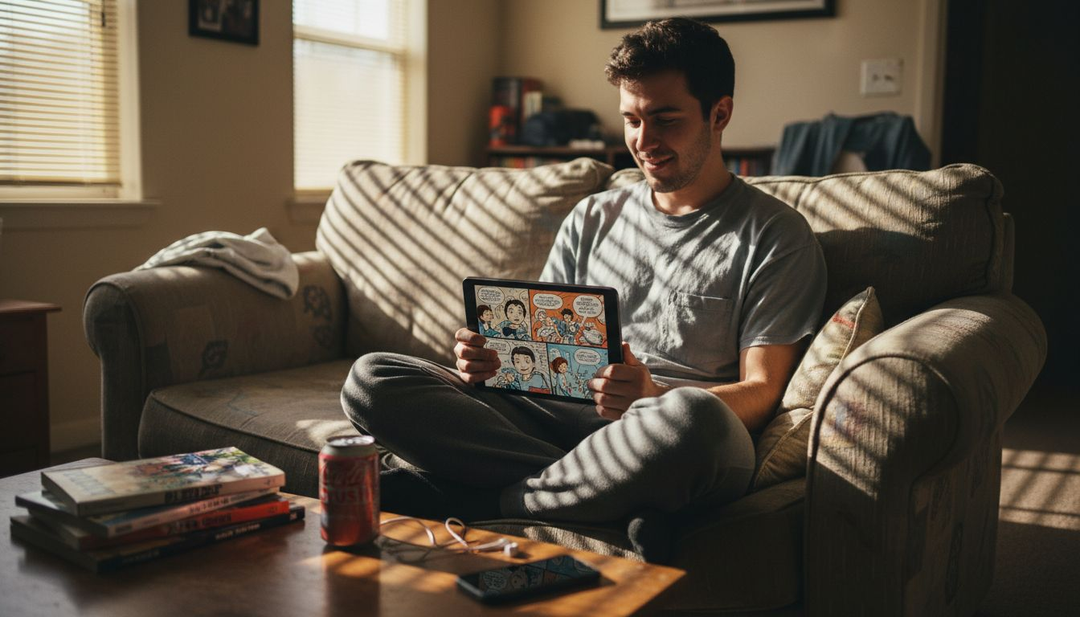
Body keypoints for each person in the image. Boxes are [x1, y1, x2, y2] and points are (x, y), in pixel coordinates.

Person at [342, 17, 826, 561]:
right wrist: (492, 364)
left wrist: (653, 396)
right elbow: (549, 359)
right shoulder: (592, 217)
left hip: (667, 433)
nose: (644, 141)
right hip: (556, 425)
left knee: (695, 423)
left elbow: (762, 391)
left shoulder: (775, 235)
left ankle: (485, 499)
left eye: (666, 119)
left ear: (720, 113)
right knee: (372, 379)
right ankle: (608, 498)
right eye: (632, 119)